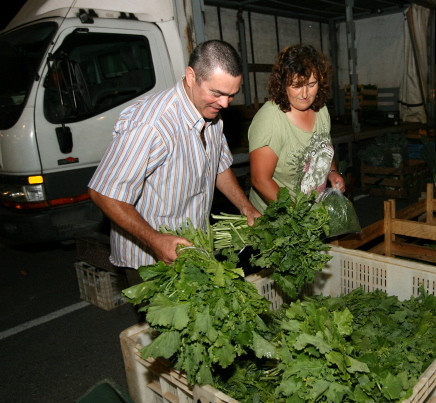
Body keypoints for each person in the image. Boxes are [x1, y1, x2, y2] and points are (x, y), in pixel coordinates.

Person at [88, 40, 260, 283]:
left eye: (231, 95)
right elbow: (103, 193)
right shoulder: (153, 124)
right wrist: (156, 240)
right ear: (191, 76)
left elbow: (219, 166)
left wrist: (246, 207)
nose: (224, 104)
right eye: (217, 93)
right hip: (150, 260)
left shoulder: (212, 117)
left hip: (193, 248)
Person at [248, 44, 345, 213]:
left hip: (311, 214)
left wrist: (332, 171)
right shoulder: (270, 120)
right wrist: (296, 217)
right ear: (283, 83)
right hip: (279, 221)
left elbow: (322, 147)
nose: (305, 94)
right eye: (296, 85)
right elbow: (260, 180)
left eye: (312, 84)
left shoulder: (320, 109)